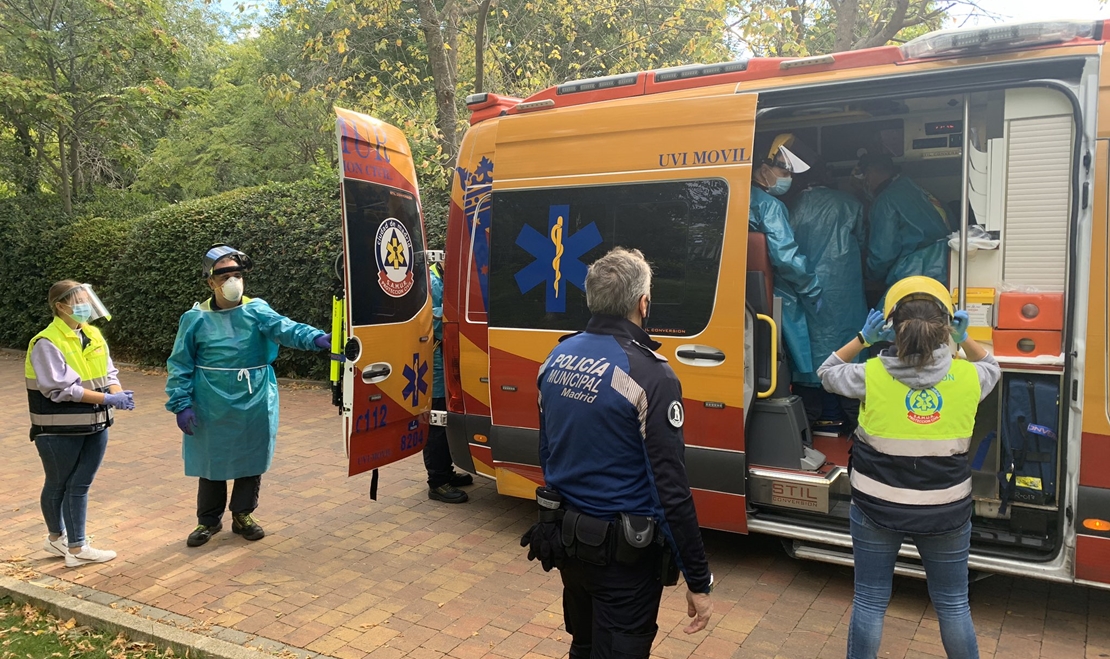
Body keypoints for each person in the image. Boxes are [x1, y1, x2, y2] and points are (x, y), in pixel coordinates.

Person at [521, 247, 713, 659]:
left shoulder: (556, 358)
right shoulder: (650, 374)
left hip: (568, 542)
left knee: (584, 646)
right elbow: (671, 490)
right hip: (623, 561)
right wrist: (699, 580)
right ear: (643, 303)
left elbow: (548, 451)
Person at [818, 276, 1000, 659]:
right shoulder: (969, 377)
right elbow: (992, 367)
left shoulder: (870, 373)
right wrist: (964, 338)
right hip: (946, 510)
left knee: (869, 600)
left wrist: (862, 339)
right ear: (944, 327)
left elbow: (827, 372)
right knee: (952, 603)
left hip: (875, 507)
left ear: (891, 326)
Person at [166, 245, 333, 548]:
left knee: (251, 455)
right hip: (210, 398)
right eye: (223, 274)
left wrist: (317, 338)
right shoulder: (195, 318)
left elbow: (285, 328)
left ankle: (243, 514)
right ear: (210, 282)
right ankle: (208, 520)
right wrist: (182, 403)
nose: (232, 279)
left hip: (254, 394)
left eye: (237, 274)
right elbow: (180, 362)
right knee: (211, 459)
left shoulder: (256, 309)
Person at [26, 280, 135, 567]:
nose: (85, 307)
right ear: (60, 306)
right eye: (78, 302)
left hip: (95, 424)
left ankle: (62, 540)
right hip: (58, 430)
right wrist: (107, 399)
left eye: (88, 300)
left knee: (79, 483)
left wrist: (117, 393)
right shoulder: (46, 342)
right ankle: (74, 548)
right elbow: (60, 389)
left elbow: (109, 371)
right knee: (61, 483)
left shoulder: (93, 334)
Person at [788, 165, 868, 434]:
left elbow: (785, 252)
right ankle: (861, 439)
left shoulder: (792, 206)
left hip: (806, 293)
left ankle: (805, 440)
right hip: (846, 293)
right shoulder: (852, 204)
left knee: (809, 358)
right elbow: (864, 243)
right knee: (850, 359)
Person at [750, 134, 823, 380]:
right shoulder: (769, 205)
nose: (789, 179)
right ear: (763, 169)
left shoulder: (739, 197)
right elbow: (785, 257)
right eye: (783, 171)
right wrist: (811, 287)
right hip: (776, 295)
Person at [858, 153, 951, 299]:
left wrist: (870, 275)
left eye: (864, 176)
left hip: (914, 275)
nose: (865, 182)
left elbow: (883, 254)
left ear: (870, 172)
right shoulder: (916, 189)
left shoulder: (886, 201)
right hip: (946, 271)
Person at [423, 261, 472, 503]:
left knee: (447, 420)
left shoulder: (442, 280)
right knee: (437, 424)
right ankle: (438, 482)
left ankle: (447, 472)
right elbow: (437, 325)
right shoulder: (432, 283)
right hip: (434, 368)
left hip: (445, 364)